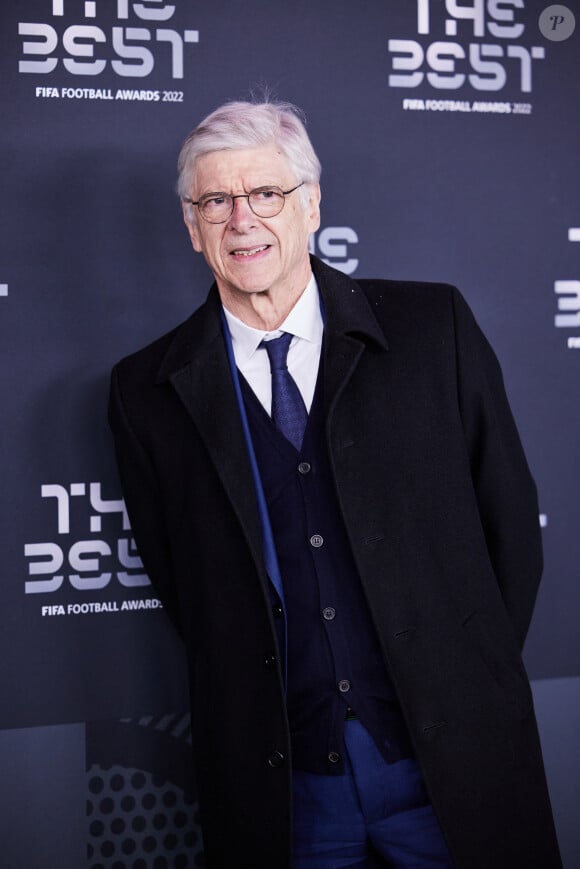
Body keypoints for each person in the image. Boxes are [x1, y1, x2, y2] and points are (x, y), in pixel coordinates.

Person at [109, 99, 561, 868]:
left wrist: (459, 683)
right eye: (215, 200)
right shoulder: (147, 390)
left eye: (266, 194)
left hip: (452, 766)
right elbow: (188, 589)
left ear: (312, 204)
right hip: (286, 795)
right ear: (191, 226)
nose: (241, 220)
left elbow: (511, 530)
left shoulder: (431, 328)